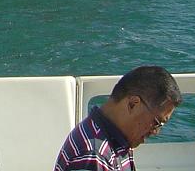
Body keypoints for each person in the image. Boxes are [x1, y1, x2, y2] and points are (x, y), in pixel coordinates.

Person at [53, 65, 182, 171]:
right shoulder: (92, 156)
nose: (156, 132)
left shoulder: (116, 138)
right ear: (133, 104)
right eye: (156, 122)